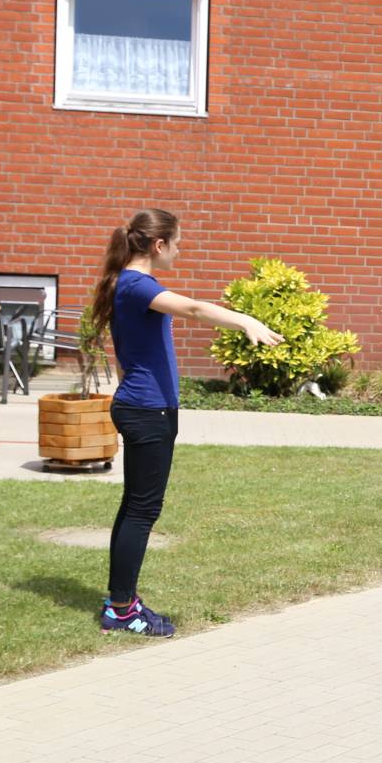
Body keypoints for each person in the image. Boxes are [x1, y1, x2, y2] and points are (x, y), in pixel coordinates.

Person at [88, 209, 283, 637]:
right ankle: (121, 609)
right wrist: (245, 319)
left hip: (141, 407)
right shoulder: (140, 285)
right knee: (142, 510)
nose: (179, 250)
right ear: (158, 246)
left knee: (135, 507)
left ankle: (121, 600)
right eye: (177, 243)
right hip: (148, 410)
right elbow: (193, 308)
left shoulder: (126, 282)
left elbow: (128, 354)